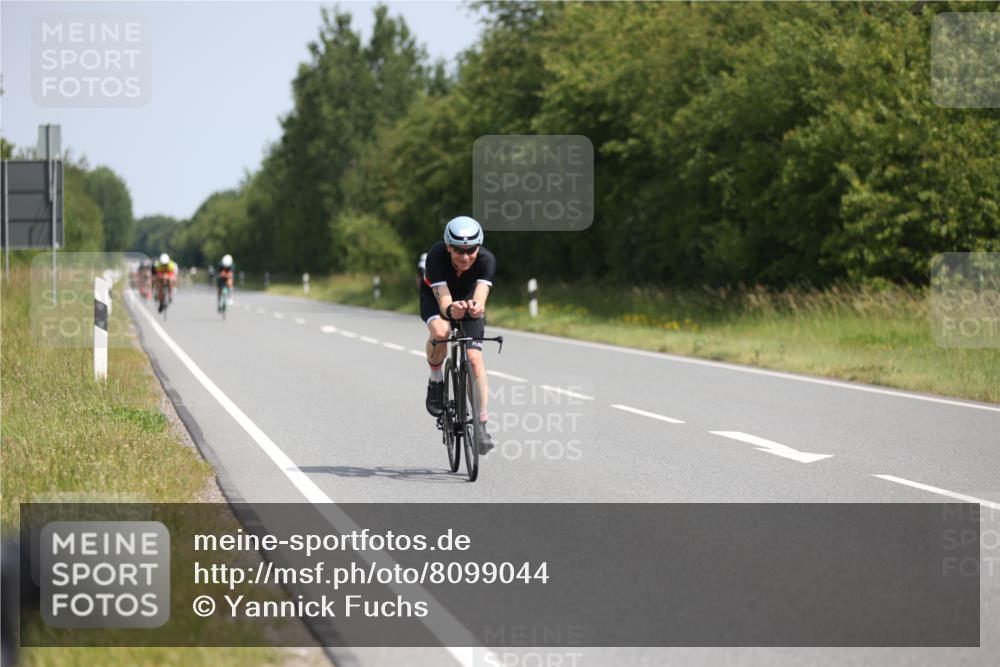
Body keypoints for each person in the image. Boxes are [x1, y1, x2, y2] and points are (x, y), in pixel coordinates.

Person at [421, 216, 496, 455]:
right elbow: (443, 299)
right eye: (459, 251)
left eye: (471, 250)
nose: (465, 257)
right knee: (441, 331)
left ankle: (481, 424)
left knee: (474, 359)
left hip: (468, 297)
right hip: (437, 298)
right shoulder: (436, 256)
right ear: (448, 247)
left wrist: (476, 308)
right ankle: (436, 380)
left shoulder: (486, 260)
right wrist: (450, 310)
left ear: (478, 247)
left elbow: (481, 296)